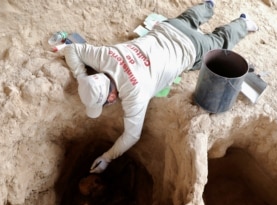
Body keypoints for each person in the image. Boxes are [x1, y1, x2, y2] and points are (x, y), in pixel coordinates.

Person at [63, 0, 258, 173]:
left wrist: (107, 157)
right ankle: (208, 5)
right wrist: (81, 76)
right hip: (170, 27)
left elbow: (131, 136)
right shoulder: (104, 56)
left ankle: (244, 22)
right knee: (189, 18)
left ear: (111, 98)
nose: (108, 104)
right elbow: (72, 48)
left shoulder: (134, 93)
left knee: (219, 40)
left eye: (105, 103)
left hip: (191, 48)